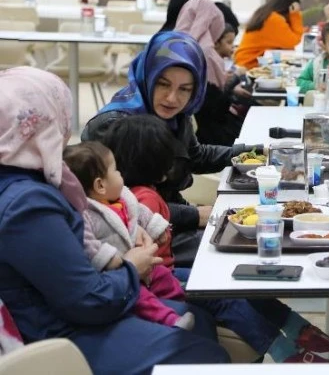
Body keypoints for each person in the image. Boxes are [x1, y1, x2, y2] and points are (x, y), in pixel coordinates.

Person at [0, 67, 229, 374]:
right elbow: (87, 300)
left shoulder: (33, 177)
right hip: (60, 336)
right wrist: (133, 267)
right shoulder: (27, 204)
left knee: (198, 317)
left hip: (68, 314)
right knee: (207, 356)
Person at [100, 114, 329, 363]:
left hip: (164, 274)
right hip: (158, 285)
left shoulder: (138, 195)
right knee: (223, 297)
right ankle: (283, 350)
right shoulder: (144, 199)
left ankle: (296, 328)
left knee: (233, 283)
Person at [81, 31, 261, 267]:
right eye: (163, 84)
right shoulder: (116, 126)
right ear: (149, 76)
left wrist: (255, 153)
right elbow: (127, 206)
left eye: (185, 89)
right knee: (242, 247)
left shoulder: (176, 115)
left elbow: (195, 156)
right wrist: (196, 215)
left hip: (169, 218)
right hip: (135, 241)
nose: (172, 98)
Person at [63, 142, 195, 331]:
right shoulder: (87, 214)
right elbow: (88, 243)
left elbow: (140, 213)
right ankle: (170, 320)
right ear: (100, 185)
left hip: (144, 264)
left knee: (164, 276)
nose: (121, 176)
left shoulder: (123, 197)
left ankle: (180, 299)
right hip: (120, 272)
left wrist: (156, 227)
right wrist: (110, 260)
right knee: (142, 299)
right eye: (116, 171)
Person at [175, 0, 249, 146]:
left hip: (191, 134)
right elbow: (216, 106)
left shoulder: (174, 45)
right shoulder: (205, 52)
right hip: (212, 135)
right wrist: (234, 79)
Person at [234, 0, 304, 70]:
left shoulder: (266, 13)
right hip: (249, 64)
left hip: (246, 60)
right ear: (290, 7)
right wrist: (295, 15)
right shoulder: (273, 19)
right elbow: (293, 41)